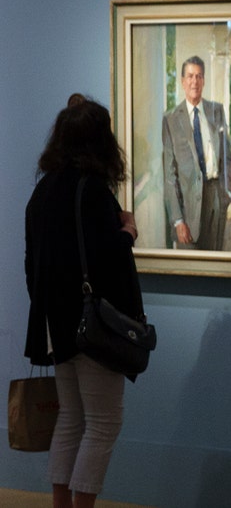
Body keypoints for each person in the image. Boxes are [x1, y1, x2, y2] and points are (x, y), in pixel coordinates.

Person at [24, 95, 145, 508]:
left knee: (71, 419)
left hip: (56, 326)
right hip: (93, 327)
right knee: (104, 423)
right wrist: (128, 230)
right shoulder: (91, 191)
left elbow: (32, 265)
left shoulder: (42, 194)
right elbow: (106, 257)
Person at [161, 55, 231, 250]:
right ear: (183, 81)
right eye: (191, 76)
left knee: (216, 261)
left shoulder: (216, 111)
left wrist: (227, 192)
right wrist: (177, 220)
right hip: (188, 205)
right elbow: (169, 175)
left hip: (215, 198)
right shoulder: (170, 120)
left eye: (199, 76)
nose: (195, 81)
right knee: (190, 266)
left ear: (204, 81)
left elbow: (227, 155)